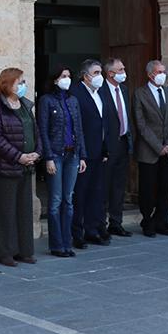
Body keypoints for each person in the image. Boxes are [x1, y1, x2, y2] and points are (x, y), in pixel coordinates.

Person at [0, 67, 43, 266]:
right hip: (5, 167)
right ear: (7, 84)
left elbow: (35, 131)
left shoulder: (25, 105)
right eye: (20, 82)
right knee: (7, 211)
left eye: (23, 82)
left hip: (27, 166)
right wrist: (19, 156)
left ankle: (24, 251)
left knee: (24, 210)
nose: (23, 86)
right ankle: (5, 253)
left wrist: (37, 153)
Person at [37, 66, 87, 256]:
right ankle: (57, 245)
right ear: (55, 79)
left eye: (68, 76)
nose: (67, 79)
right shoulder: (46, 100)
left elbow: (79, 129)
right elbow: (43, 130)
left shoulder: (73, 101)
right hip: (56, 155)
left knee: (68, 199)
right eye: (63, 76)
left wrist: (82, 155)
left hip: (72, 155)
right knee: (56, 200)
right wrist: (48, 157)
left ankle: (67, 242)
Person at [132, 60, 168, 237]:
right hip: (149, 151)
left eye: (164, 71)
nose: (163, 75)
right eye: (159, 71)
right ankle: (147, 221)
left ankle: (161, 220)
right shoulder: (140, 93)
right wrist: (157, 146)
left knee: (165, 188)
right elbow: (141, 124)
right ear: (150, 74)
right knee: (147, 188)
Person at [71, 59, 109, 247]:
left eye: (100, 72)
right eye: (95, 73)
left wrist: (105, 148)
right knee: (80, 194)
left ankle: (92, 230)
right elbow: (76, 126)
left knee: (96, 193)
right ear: (85, 76)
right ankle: (77, 233)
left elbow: (103, 123)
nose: (99, 76)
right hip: (83, 153)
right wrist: (81, 154)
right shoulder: (76, 94)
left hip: (98, 151)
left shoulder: (99, 93)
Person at [100, 57, 133, 238]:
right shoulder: (101, 90)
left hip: (122, 142)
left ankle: (116, 222)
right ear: (110, 73)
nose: (124, 72)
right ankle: (101, 224)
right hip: (107, 145)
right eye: (120, 70)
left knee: (119, 186)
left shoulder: (124, 90)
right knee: (104, 186)